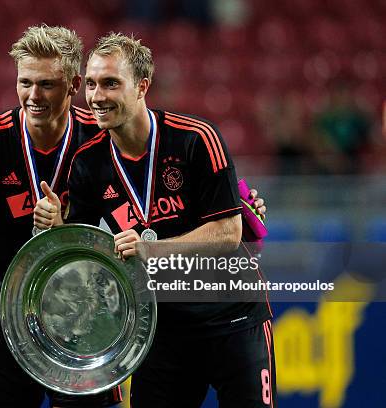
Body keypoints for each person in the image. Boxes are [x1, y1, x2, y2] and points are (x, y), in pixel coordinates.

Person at [34, 33, 275, 407]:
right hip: (161, 330)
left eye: (111, 83)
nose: (97, 96)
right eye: (93, 83)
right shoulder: (88, 163)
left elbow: (229, 233)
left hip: (233, 318)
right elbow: (79, 250)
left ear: (142, 86)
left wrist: (151, 249)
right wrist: (54, 225)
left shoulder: (196, 138)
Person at [0, 25, 126, 408]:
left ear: (73, 85)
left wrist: (64, 231)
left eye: (47, 85)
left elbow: (132, 226)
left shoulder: (101, 140)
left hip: (80, 311)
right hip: (4, 309)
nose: (33, 96)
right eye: (25, 83)